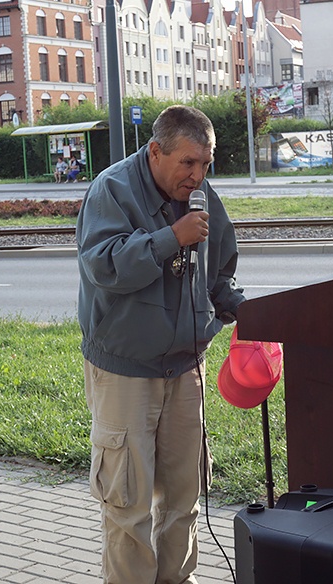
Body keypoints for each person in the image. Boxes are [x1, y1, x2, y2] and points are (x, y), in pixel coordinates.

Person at [76, 105, 245, 584]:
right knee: (128, 507)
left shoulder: (201, 196)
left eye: (206, 164)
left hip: (184, 369)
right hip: (126, 371)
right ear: (155, 152)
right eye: (188, 163)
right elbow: (105, 266)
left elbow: (220, 269)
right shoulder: (113, 190)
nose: (197, 176)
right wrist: (172, 238)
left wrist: (239, 307)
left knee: (183, 500)